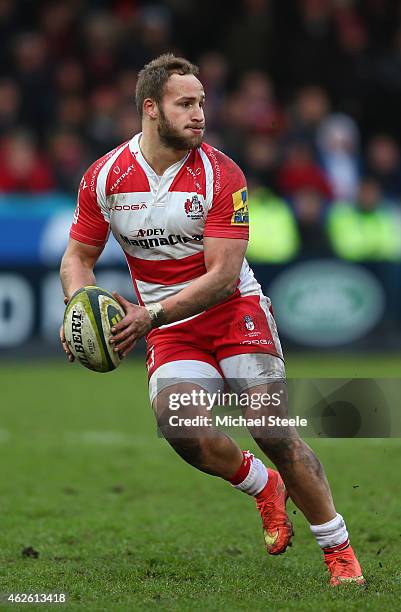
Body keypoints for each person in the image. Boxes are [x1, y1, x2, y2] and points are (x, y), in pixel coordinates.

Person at [59, 54, 364, 586]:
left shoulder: (223, 174)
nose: (200, 113)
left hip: (233, 310)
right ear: (151, 109)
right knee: (181, 429)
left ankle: (339, 551)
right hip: (172, 328)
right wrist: (78, 310)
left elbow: (223, 276)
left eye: (202, 102)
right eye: (186, 103)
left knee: (272, 428)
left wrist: (148, 315)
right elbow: (77, 258)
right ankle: (263, 487)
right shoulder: (104, 176)